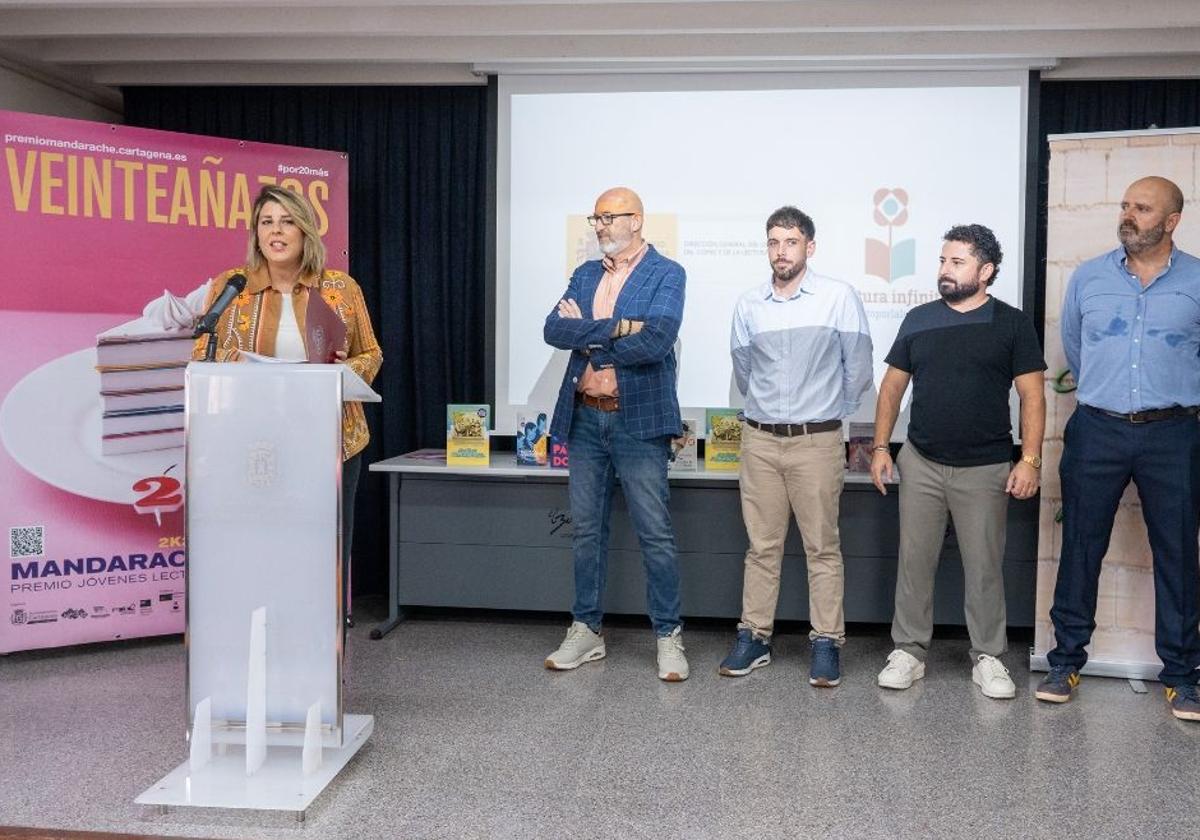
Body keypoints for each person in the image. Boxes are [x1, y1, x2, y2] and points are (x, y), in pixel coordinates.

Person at [1038, 176, 1200, 721]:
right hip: (1098, 428)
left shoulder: (1198, 279)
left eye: (1143, 208)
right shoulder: (1089, 278)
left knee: (1177, 552)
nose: (1129, 214)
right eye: (1125, 204)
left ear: (1171, 220)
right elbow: (1077, 350)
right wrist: (1110, 398)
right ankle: (1065, 662)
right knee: (1082, 546)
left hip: (1175, 434)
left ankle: (1182, 674)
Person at [870, 224, 1045, 699]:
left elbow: (1032, 395)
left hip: (986, 466)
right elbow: (892, 387)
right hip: (921, 461)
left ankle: (987, 657)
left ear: (986, 271)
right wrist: (882, 447)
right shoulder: (919, 318)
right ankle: (909, 651)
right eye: (943, 261)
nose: (945, 271)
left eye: (957, 262)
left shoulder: (1011, 323)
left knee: (984, 566)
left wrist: (1029, 460)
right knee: (914, 562)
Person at [193, 185, 383, 620]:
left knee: (325, 541)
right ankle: (262, 620)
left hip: (332, 439)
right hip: (253, 441)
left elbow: (372, 352)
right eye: (266, 222)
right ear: (255, 233)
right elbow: (200, 353)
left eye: (287, 221)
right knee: (265, 540)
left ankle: (325, 629)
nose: (276, 232)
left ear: (305, 230)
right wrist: (233, 360)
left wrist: (344, 366)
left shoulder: (340, 287)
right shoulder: (232, 287)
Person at [718, 206, 872, 686]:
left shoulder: (837, 298)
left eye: (790, 241)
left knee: (822, 548)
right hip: (760, 442)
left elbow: (859, 371)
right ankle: (755, 636)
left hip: (816, 441)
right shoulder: (749, 305)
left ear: (810, 246)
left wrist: (825, 414)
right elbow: (746, 374)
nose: (780, 251)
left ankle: (826, 641)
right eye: (772, 242)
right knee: (761, 547)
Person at [542, 187, 689, 681]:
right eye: (596, 217)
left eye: (609, 217)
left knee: (656, 533)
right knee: (585, 531)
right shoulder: (585, 274)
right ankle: (586, 631)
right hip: (585, 420)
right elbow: (552, 330)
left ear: (638, 220)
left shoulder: (667, 273)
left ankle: (668, 635)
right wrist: (619, 325)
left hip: (638, 421)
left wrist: (594, 339)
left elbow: (658, 338)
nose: (600, 225)